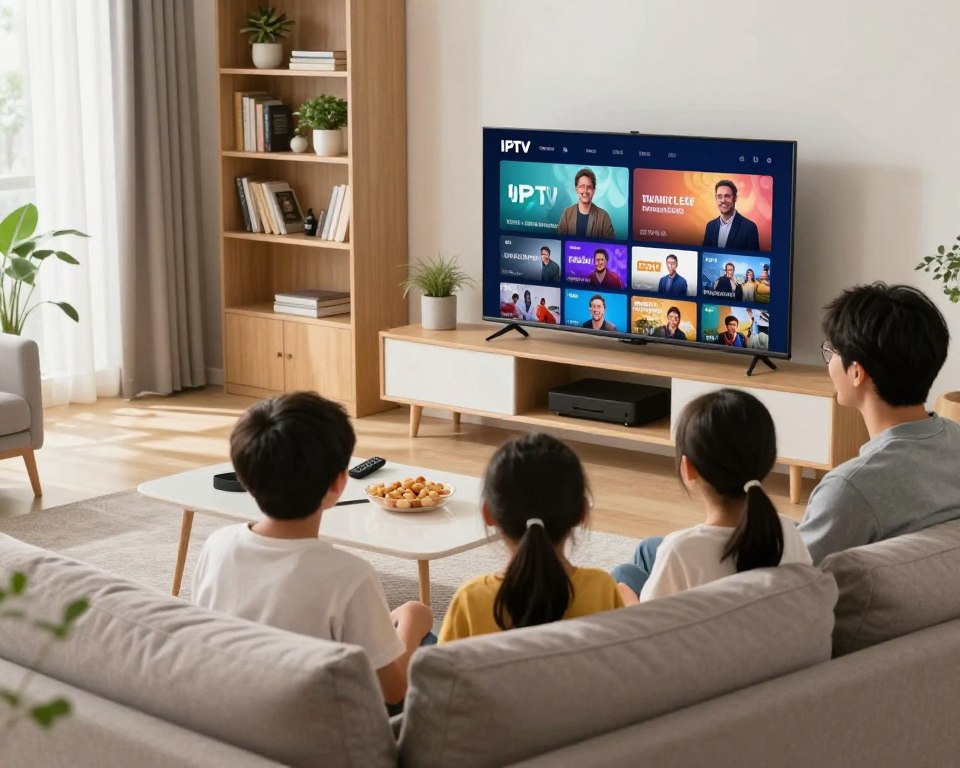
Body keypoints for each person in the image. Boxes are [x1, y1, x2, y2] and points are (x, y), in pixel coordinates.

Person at [191, 392, 434, 706]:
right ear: (338, 485)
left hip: (233, 708)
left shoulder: (217, 545)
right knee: (427, 644)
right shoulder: (350, 575)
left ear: (245, 478)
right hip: (317, 731)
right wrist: (414, 621)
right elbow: (392, 691)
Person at [798, 283, 960, 564]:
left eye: (831, 351)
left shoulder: (849, 489)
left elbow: (787, 582)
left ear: (857, 372)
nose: (829, 363)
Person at [612, 389, 812, 602]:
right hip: (764, 627)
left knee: (622, 575)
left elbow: (655, 631)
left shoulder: (680, 552)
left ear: (687, 468)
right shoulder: (788, 532)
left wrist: (630, 604)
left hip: (703, 632)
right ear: (770, 461)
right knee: (648, 548)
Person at [439, 433, 623, 641]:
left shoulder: (470, 600)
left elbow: (438, 671)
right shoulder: (601, 589)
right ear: (582, 513)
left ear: (488, 514)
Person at [556, 168, 615, 239]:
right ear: (576, 189)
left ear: (594, 190)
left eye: (589, 187)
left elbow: (610, 244)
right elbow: (560, 240)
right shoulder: (567, 213)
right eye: (581, 187)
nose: (585, 191)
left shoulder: (604, 217)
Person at [702, 180, 760, 251]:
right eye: (719, 196)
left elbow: (753, 258)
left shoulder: (749, 228)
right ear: (716, 198)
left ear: (735, 198)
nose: (723, 200)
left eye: (727, 196)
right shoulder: (710, 226)